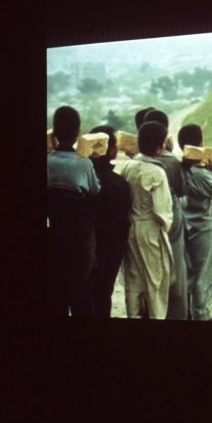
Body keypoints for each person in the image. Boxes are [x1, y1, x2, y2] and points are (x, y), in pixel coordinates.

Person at [46, 105, 101, 317]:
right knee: (80, 288)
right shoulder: (83, 163)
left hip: (54, 230)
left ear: (54, 132)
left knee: (56, 286)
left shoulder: (48, 161)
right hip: (80, 236)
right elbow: (95, 189)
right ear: (78, 132)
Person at [116, 121, 173, 319]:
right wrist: (166, 226)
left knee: (133, 280)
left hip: (131, 228)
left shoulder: (128, 167)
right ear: (158, 148)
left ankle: (133, 316)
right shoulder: (157, 172)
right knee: (155, 281)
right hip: (150, 229)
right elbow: (162, 210)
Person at [177, 124, 212, 321]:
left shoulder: (183, 168)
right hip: (204, 226)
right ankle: (202, 314)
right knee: (204, 273)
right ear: (200, 144)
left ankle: (189, 311)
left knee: (189, 271)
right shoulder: (201, 172)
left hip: (186, 223)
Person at [143, 109, 188, 320]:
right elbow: (181, 190)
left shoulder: (134, 163)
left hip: (143, 224)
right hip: (170, 220)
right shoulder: (171, 163)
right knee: (176, 269)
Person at [88, 124, 132, 318]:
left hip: (85, 242)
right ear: (111, 149)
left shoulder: (83, 177)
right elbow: (124, 219)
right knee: (104, 293)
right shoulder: (118, 183)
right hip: (111, 246)